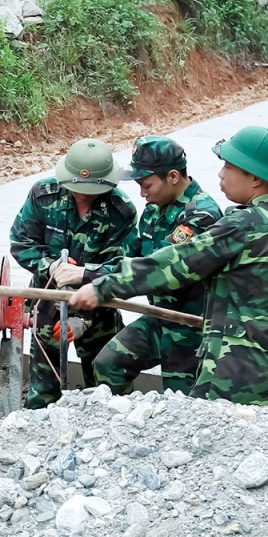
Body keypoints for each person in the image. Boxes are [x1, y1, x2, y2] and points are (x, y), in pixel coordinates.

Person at [70, 126, 268, 405]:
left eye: (229, 166)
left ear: (255, 178)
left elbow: (175, 264)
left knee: (188, 418)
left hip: (236, 379)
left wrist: (103, 286)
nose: (221, 174)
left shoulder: (241, 225)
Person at [71, 136, 223, 395]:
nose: (142, 193)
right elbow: (129, 257)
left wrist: (89, 276)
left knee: (180, 400)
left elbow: (159, 271)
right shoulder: (153, 210)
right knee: (108, 365)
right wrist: (88, 277)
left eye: (147, 184)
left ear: (173, 176)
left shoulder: (201, 216)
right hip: (160, 318)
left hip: (192, 326)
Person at [10, 138, 137, 409]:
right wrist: (52, 266)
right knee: (43, 390)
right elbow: (22, 243)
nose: (83, 195)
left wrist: (84, 278)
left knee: (109, 393)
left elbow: (123, 266)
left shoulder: (121, 212)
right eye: (77, 189)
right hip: (48, 305)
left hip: (100, 310)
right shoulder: (43, 195)